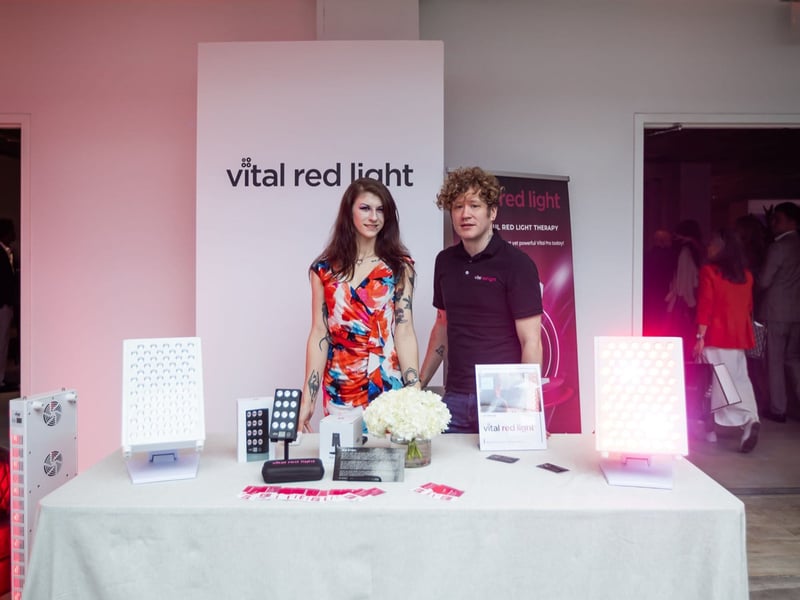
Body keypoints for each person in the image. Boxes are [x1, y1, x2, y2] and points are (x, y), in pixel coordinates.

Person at [419, 167, 543, 433]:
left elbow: (531, 340)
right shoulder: (444, 262)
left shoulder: (517, 264)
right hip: (455, 396)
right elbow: (442, 327)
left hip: (502, 398)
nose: (465, 214)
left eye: (474, 205)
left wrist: (529, 406)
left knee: (503, 473)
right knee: (449, 473)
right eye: (457, 206)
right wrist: (418, 385)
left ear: (492, 213)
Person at [298, 178, 419, 432]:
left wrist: (414, 389)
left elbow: (404, 330)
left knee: (389, 463)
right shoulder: (323, 270)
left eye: (380, 209)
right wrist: (307, 398)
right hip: (341, 384)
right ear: (349, 212)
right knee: (343, 462)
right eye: (365, 208)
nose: (373, 217)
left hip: (387, 382)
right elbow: (320, 334)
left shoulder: (399, 267)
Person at [693, 228, 760, 452]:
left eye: (712, 243)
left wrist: (700, 337)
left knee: (721, 382)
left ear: (721, 248)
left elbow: (706, 307)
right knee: (739, 378)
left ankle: (744, 417)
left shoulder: (709, 272)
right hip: (739, 336)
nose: (708, 247)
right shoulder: (746, 275)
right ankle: (749, 418)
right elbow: (749, 307)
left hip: (717, 334)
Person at [758, 202, 800, 423]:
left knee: (774, 361)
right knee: (793, 360)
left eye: (778, 219)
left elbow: (764, 281)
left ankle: (778, 409)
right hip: (796, 312)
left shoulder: (778, 247)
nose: (773, 223)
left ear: (792, 221)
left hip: (775, 311)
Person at [666, 219, 704, 360]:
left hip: (686, 302)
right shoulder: (698, 251)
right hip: (695, 301)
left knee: (680, 339)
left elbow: (684, 282)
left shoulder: (685, 252)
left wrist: (682, 302)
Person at [0, 218, 17, 392]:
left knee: (3, 340)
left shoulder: (8, 252)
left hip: (6, 303)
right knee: (1, 340)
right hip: (2, 304)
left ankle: (2, 376)